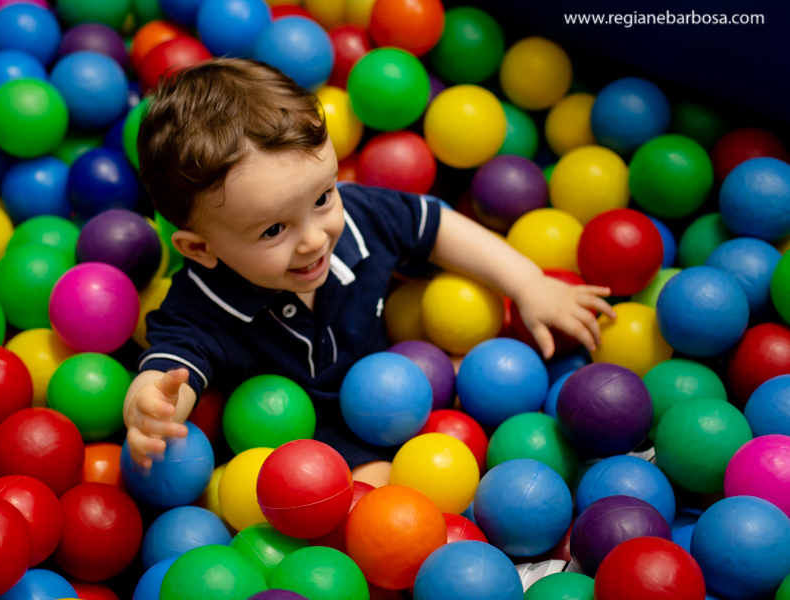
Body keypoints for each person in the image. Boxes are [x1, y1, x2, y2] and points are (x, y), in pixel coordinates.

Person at [123, 58, 616, 468]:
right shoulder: (203, 304)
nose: (314, 239)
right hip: (315, 448)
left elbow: (437, 226)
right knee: (391, 499)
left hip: (413, 385)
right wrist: (151, 410)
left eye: (322, 197)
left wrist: (528, 283)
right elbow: (171, 367)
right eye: (274, 230)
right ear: (200, 249)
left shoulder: (359, 215)